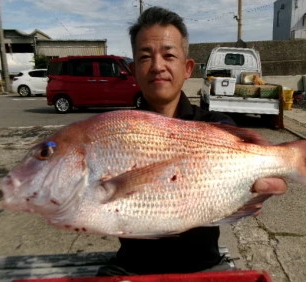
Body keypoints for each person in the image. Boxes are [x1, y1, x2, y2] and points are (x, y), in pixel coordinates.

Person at [97, 6, 287, 276]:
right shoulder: (116, 131)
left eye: (169, 55)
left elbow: (250, 173)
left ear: (187, 68)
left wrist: (255, 190)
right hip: (131, 267)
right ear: (134, 70)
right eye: (145, 57)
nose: (158, 66)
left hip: (204, 267)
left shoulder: (216, 126)